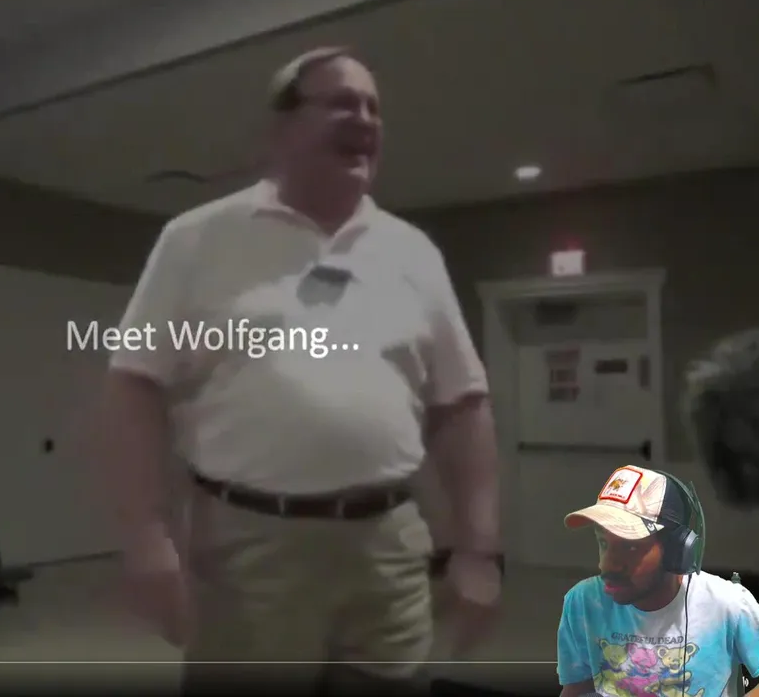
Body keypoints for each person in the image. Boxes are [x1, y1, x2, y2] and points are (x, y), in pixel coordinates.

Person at [93, 46, 502, 691]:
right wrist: (146, 536)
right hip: (249, 550)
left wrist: (478, 548)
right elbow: (134, 385)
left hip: (389, 549)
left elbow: (462, 403)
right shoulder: (197, 238)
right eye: (341, 102)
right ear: (281, 127)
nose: (364, 118)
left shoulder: (412, 251)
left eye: (373, 108)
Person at [556, 465, 759, 697]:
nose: (608, 565)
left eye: (630, 547)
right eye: (603, 543)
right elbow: (577, 687)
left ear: (677, 551)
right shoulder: (583, 603)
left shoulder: (724, 603)